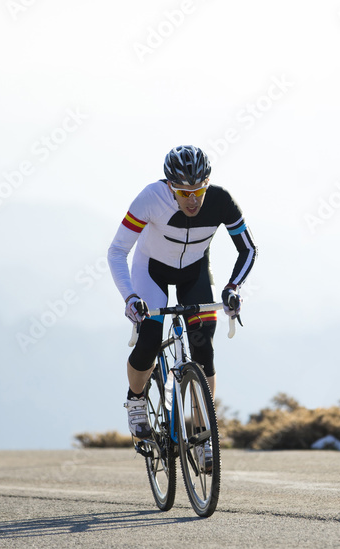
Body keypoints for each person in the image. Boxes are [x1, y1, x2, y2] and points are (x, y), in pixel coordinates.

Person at [108, 145, 258, 440]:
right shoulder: (151, 198)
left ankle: (203, 430)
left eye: (198, 192)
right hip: (151, 272)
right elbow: (117, 251)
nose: (192, 200)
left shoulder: (221, 200)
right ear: (170, 186)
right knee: (150, 340)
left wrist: (232, 288)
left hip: (194, 273)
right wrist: (130, 297)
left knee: (204, 349)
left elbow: (248, 249)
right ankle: (137, 399)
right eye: (183, 192)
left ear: (207, 184)